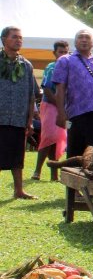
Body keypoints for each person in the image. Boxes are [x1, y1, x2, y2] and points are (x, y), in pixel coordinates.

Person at [52, 29, 93, 157]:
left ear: (92, 43)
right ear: (75, 42)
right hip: (77, 114)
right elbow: (60, 88)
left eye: (87, 38)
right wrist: (61, 113)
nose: (84, 40)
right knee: (76, 154)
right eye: (80, 37)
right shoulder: (65, 60)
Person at [0, 26, 37, 199]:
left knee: (17, 155)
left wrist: (29, 120)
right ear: (4, 39)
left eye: (20, 37)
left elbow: (31, 96)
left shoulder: (27, 65)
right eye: (14, 37)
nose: (18, 40)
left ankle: (19, 190)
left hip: (17, 118)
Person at [33, 40, 69, 181]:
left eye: (66, 52)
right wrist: (59, 105)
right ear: (54, 53)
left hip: (65, 109)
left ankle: (54, 174)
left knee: (59, 138)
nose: (63, 55)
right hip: (50, 106)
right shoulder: (51, 67)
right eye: (60, 52)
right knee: (49, 137)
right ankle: (37, 170)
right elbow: (46, 89)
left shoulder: (71, 68)